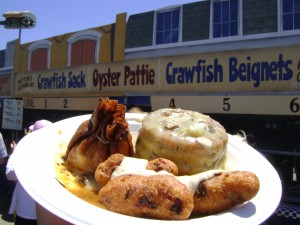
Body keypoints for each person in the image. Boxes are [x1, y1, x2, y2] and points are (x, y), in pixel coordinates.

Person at [6, 120, 52, 225]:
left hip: (26, 212)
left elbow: (10, 174)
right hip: (47, 213)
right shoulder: (54, 154)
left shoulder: (28, 154)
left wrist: (14, 153)